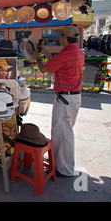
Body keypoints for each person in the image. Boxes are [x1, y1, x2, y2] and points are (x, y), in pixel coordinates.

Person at [31, 25, 85, 177]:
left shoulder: (68, 53)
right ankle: (61, 163)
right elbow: (55, 65)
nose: (59, 39)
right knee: (62, 132)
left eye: (60, 36)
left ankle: (64, 169)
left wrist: (37, 58)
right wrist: (46, 52)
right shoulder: (76, 51)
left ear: (64, 37)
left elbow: (44, 69)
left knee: (63, 134)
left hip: (66, 98)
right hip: (71, 97)